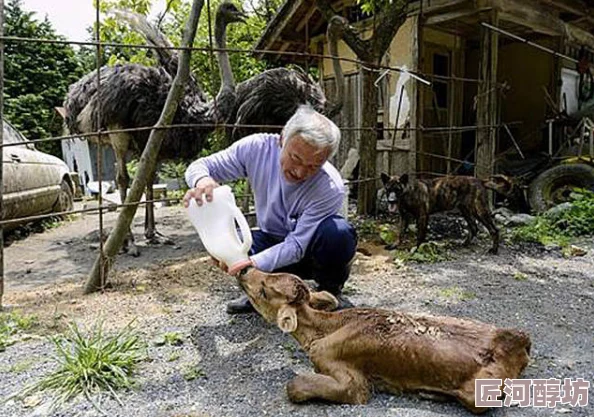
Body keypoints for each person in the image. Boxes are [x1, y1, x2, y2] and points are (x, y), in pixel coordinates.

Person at [183, 105, 358, 314]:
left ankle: (330, 292)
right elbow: (199, 166)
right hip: (269, 239)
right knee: (233, 242)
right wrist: (203, 181)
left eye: (313, 166)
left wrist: (249, 265)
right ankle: (258, 294)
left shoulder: (330, 187)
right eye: (296, 158)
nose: (301, 171)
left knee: (338, 233)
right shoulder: (256, 148)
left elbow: (296, 246)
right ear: (282, 138)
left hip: (310, 252)